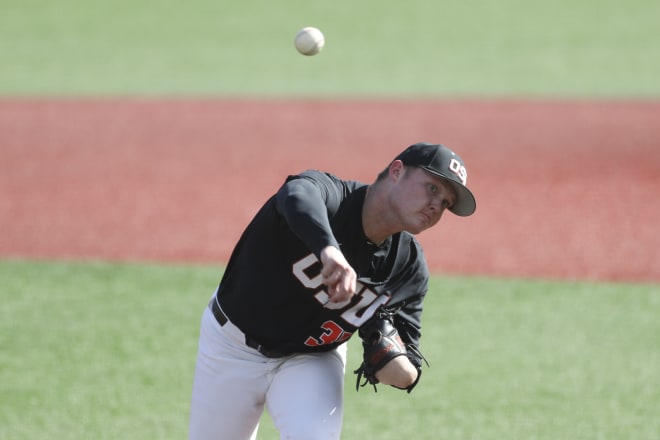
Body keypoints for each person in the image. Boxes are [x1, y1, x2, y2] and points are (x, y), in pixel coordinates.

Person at [189, 142, 476, 440]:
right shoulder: (332, 196)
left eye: (445, 202)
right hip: (232, 347)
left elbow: (407, 363)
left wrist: (393, 358)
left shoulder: (407, 268)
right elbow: (295, 194)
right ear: (396, 171)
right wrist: (328, 249)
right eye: (433, 188)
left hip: (310, 360)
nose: (437, 205)